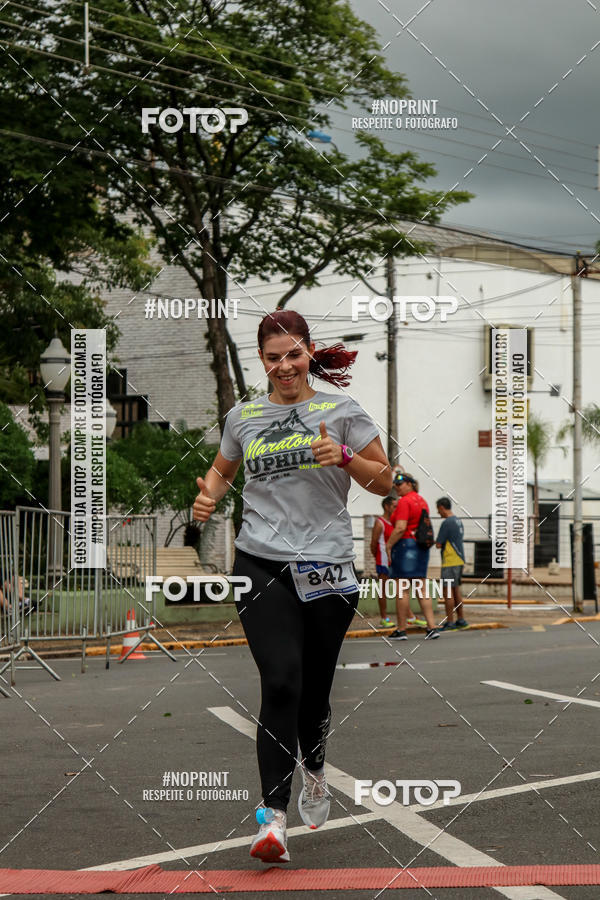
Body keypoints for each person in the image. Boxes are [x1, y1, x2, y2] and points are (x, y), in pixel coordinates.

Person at [193, 308, 392, 864]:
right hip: (260, 561)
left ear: (309, 353)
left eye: (293, 354)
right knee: (281, 682)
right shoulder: (245, 417)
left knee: (315, 694)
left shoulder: (342, 410)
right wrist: (208, 496)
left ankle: (316, 768)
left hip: (327, 564)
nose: (285, 365)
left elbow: (387, 481)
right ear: (262, 360)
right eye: (273, 357)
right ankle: (273, 819)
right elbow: (221, 470)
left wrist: (346, 456)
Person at [386, 473, 439, 640]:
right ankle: (432, 627)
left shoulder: (405, 501)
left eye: (400, 483)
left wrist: (388, 545)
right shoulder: (422, 501)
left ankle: (401, 630)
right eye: (395, 483)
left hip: (405, 546)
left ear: (410, 484)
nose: (396, 486)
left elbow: (400, 527)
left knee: (402, 589)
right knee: (421, 588)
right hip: (421, 547)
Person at [436, 497, 468, 630]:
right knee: (456, 591)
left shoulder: (447, 523)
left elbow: (438, 544)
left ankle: (450, 622)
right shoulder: (458, 521)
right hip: (459, 559)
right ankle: (461, 619)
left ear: (442, 508)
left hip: (450, 561)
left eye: (439, 510)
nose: (439, 514)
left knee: (447, 592)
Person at [369, 495, 397, 628]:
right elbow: (373, 544)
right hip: (383, 561)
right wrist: (378, 557)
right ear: (387, 506)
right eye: (394, 506)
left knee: (401, 588)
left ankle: (409, 616)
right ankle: (384, 618)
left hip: (395, 561)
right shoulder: (379, 522)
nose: (396, 508)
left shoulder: (395, 522)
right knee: (383, 590)